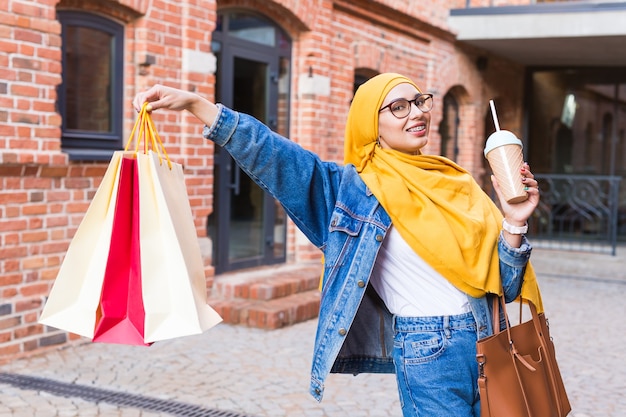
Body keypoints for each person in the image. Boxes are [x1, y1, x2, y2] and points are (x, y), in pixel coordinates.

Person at [133, 72, 543, 417]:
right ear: (371, 122)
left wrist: (514, 221)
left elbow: (504, 287)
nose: (416, 112)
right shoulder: (347, 191)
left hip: (488, 335)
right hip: (426, 350)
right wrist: (196, 104)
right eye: (398, 107)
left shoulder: (457, 184)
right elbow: (272, 156)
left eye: (419, 102)